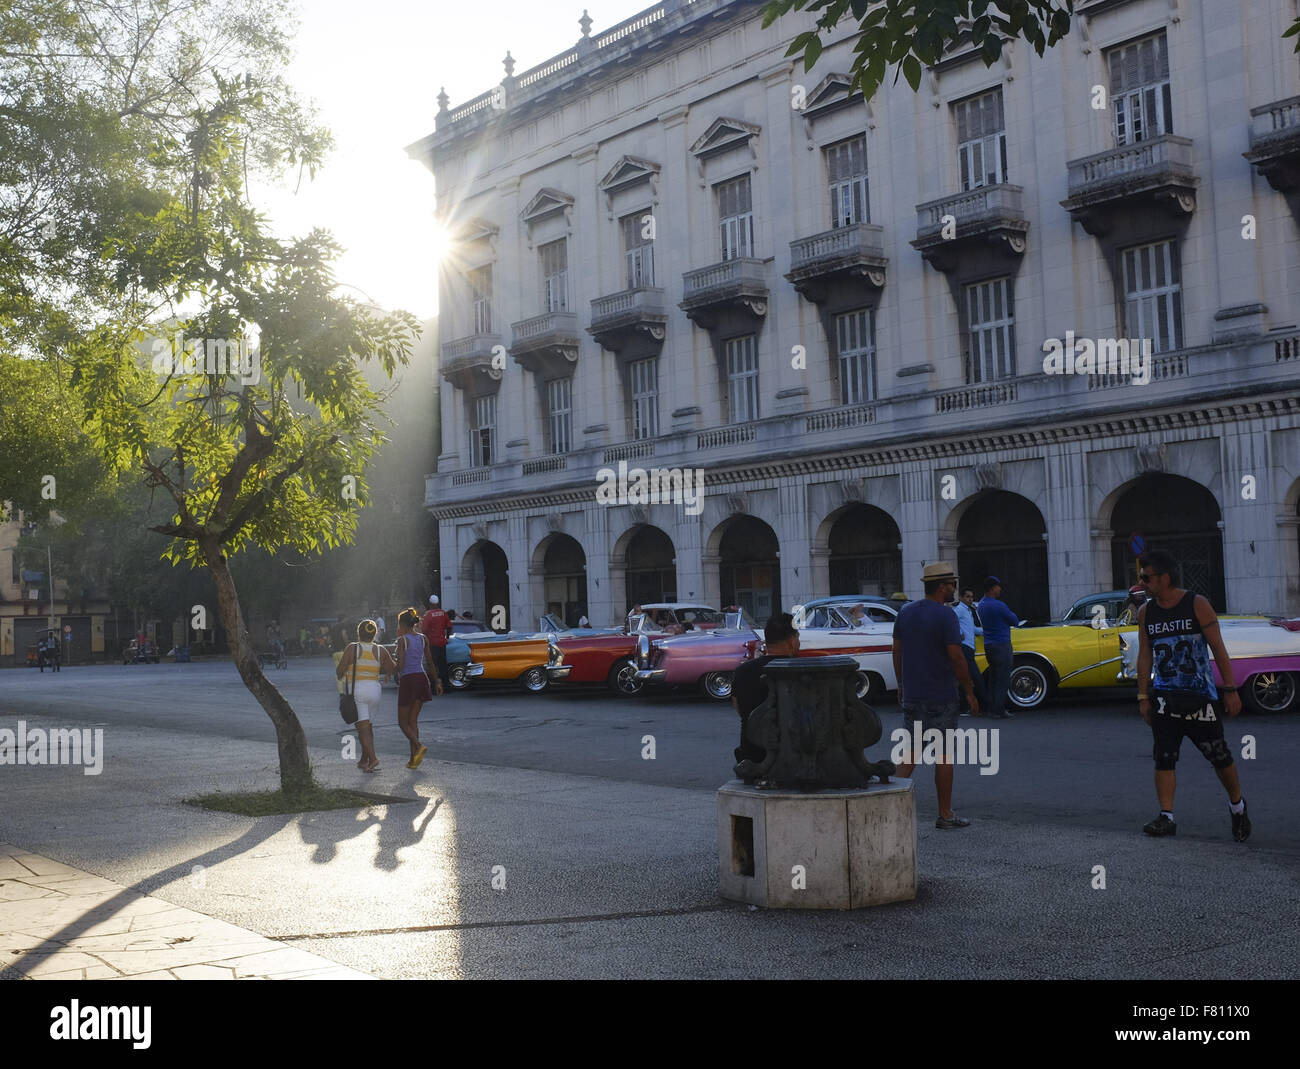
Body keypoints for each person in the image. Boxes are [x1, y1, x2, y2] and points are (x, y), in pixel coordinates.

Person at [1134, 548, 1249, 841]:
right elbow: (1145, 654)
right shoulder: (1146, 612)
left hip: (1199, 697)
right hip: (1164, 696)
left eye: (1147, 577)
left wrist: (1230, 689)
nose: (1143, 583)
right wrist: (1143, 696)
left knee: (1219, 756)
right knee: (1164, 757)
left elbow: (1218, 649)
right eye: (1141, 577)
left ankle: (1237, 807)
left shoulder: (1197, 604)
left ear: (1164, 577)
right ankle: (1166, 816)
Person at [891, 562, 979, 829]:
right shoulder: (946, 615)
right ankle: (945, 814)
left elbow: (897, 650)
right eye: (952, 584)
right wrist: (970, 691)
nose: (955, 588)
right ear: (942, 587)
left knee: (910, 754)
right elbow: (956, 656)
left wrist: (901, 684)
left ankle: (889, 811)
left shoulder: (906, 612)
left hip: (913, 695)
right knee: (943, 756)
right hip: (941, 695)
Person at [731, 612, 800, 778]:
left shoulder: (742, 672)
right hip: (795, 758)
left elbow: (740, 710)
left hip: (752, 758)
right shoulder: (800, 671)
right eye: (798, 638)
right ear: (791, 641)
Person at [335, 620, 396, 773]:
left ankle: (373, 758)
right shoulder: (380, 650)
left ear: (358, 633)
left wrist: (345, 672)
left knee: (362, 729)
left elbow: (339, 671)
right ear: (375, 634)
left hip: (358, 691)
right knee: (367, 727)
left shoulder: (352, 648)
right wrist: (388, 673)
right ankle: (364, 759)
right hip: (375, 691)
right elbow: (392, 668)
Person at [396, 607, 443, 769]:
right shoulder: (423, 638)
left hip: (408, 679)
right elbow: (430, 661)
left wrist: (390, 665)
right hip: (422, 678)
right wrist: (437, 681)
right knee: (413, 721)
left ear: (402, 624)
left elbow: (401, 666)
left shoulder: (402, 640)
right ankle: (413, 760)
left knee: (402, 722)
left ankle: (418, 745)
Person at [977, 576, 1019, 719]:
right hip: (1002, 645)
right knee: (1003, 678)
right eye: (998, 586)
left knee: (993, 678)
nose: (1000, 589)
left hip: (989, 645)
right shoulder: (999, 605)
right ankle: (999, 710)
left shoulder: (981, 605)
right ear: (993, 588)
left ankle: (991, 708)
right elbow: (1015, 620)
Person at [952, 589, 988, 716]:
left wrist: (986, 631)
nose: (970, 599)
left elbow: (972, 629)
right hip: (965, 647)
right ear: (961, 597)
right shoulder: (960, 609)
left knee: (965, 678)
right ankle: (983, 706)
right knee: (975, 678)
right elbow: (951, 621)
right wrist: (959, 634)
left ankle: (964, 707)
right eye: (967, 596)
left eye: (972, 597)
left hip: (969, 648)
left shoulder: (968, 610)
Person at [420, 595, 452, 687]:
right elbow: (449, 626)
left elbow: (424, 630)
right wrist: (447, 637)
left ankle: (434, 687)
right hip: (442, 643)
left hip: (432, 643)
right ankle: (446, 686)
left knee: (432, 665)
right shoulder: (443, 613)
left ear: (430, 603)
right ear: (438, 603)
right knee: (443, 665)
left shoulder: (428, 614)